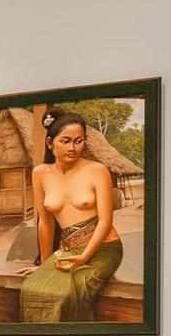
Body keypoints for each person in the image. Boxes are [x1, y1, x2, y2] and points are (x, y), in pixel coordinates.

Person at [17, 110, 123, 324]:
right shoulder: (40, 173)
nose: (73, 148)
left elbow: (105, 221)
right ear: (50, 143)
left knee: (68, 292)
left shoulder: (97, 170)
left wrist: (84, 258)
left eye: (79, 141)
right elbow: (45, 223)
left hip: (104, 248)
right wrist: (45, 264)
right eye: (65, 141)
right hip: (68, 250)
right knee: (32, 288)